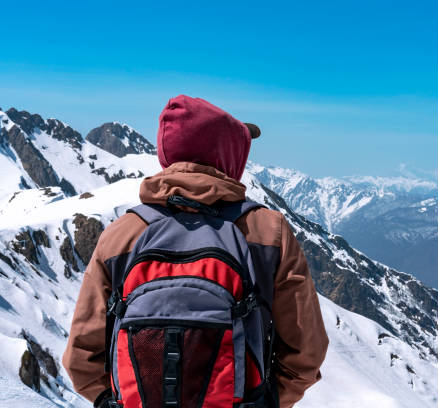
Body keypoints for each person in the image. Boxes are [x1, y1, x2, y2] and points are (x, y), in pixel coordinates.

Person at [63, 95, 329, 408]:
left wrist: (112, 402)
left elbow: (81, 358)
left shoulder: (121, 235)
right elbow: (305, 353)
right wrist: (266, 401)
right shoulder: (267, 230)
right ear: (228, 156)